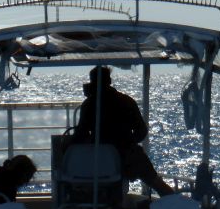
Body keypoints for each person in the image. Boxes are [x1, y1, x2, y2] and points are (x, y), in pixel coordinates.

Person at [73, 66, 174, 196]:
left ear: (92, 81)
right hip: (127, 155)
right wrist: (128, 143)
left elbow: (81, 134)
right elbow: (141, 131)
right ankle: (177, 206)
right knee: (154, 180)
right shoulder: (126, 101)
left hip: (99, 157)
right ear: (109, 81)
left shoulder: (88, 104)